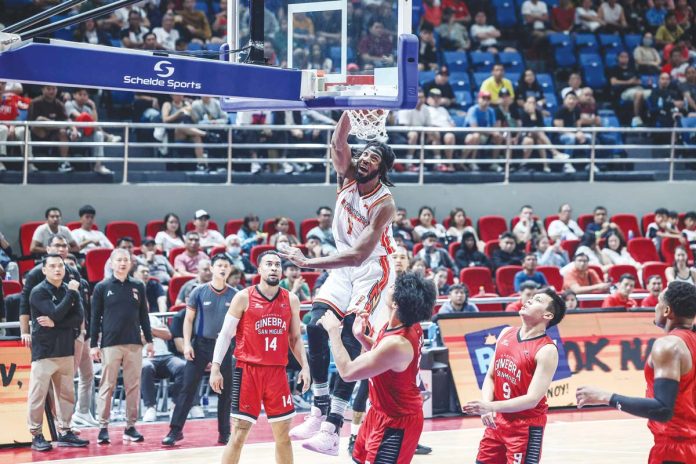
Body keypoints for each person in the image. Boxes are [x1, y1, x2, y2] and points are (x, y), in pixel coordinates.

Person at [279, 111, 398, 455]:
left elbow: (360, 256)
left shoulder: (384, 204)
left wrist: (308, 262)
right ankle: (317, 409)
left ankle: (333, 428)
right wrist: (350, 109)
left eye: (373, 157)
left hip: (373, 270)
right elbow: (337, 142)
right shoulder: (346, 175)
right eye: (364, 154)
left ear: (381, 169)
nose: (365, 159)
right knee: (315, 324)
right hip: (343, 265)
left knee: (348, 337)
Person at [317, 272, 437, 464]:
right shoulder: (402, 324)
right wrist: (361, 337)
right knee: (358, 459)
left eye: (392, 288)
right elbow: (382, 354)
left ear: (397, 303)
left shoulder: (398, 342)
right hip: (378, 412)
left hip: (397, 421)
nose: (389, 287)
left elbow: (347, 372)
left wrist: (333, 332)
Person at [576, 282, 696, 464]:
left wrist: (606, 396)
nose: (655, 306)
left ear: (667, 311)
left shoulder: (669, 345)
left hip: (676, 449)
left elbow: (663, 409)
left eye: (659, 302)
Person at [208, 251, 310, 464]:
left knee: (283, 434)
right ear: (259, 269)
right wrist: (216, 367)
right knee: (238, 433)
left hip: (277, 373)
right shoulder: (243, 296)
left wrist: (305, 366)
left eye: (277, 265)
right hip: (248, 371)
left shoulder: (290, 299)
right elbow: (226, 334)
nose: (274, 268)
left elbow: (295, 338)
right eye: (269, 264)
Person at [463, 287, 566, 464]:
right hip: (498, 422)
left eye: (538, 300)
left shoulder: (547, 350)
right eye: (531, 297)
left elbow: (532, 399)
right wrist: (488, 406)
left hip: (525, 427)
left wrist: (490, 406)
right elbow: (490, 377)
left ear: (547, 316)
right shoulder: (505, 333)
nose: (529, 300)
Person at [162, 254, 238, 446]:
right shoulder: (198, 291)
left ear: (230, 270)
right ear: (212, 268)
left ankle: (224, 433)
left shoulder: (236, 295)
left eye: (226, 266)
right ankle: (175, 430)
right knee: (187, 388)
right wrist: (187, 344)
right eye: (219, 265)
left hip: (225, 346)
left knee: (225, 391)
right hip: (200, 345)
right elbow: (188, 320)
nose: (222, 269)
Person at [90, 248, 154, 444]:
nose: (122, 263)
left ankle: (130, 426)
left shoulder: (138, 285)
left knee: (133, 386)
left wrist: (149, 341)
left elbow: (144, 315)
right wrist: (94, 344)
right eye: (119, 260)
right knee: (107, 386)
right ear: (111, 263)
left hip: (134, 343)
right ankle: (103, 427)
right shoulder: (102, 287)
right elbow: (95, 317)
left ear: (131, 263)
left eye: (126, 259)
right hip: (110, 344)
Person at [27, 254, 88, 451]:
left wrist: (56, 323)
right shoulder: (38, 292)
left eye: (60, 265)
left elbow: (78, 317)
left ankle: (65, 431)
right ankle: (36, 434)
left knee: (67, 395)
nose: (57, 269)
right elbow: (54, 312)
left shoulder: (70, 290)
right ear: (44, 270)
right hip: (44, 352)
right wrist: (70, 296)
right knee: (38, 395)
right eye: (52, 266)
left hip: (65, 350)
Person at [140, 311, 186, 422]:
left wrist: (148, 329)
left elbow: (168, 335)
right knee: (146, 367)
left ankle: (175, 405)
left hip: (166, 356)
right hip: (145, 357)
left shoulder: (153, 317)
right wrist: (155, 332)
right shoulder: (130, 319)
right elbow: (138, 339)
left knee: (183, 366)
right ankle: (150, 407)